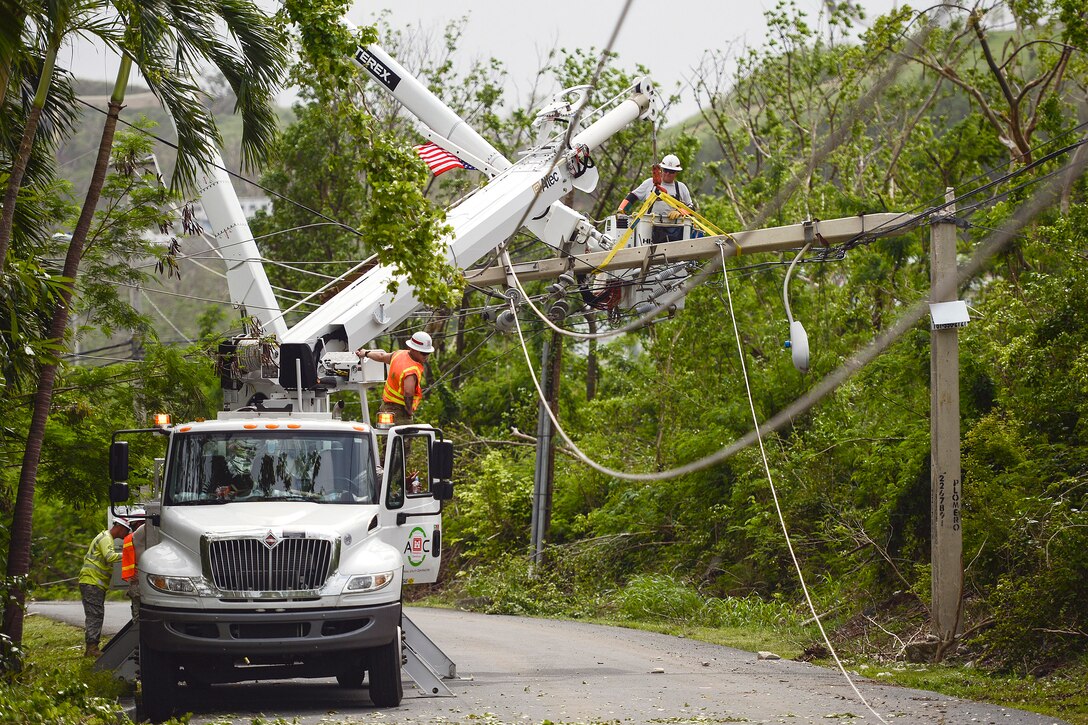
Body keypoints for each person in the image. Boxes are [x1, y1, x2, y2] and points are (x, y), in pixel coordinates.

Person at [355, 331, 433, 425]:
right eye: (423, 353)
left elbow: (381, 356)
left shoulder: (398, 354)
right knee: (403, 438)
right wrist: (409, 411)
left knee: (388, 438)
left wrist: (365, 353)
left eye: (428, 353)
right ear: (412, 349)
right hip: (400, 412)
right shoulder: (411, 369)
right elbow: (408, 392)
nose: (426, 356)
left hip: (385, 408)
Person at [79, 516, 130, 657]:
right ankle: (92, 648)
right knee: (95, 615)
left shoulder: (104, 537)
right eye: (126, 530)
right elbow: (110, 556)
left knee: (95, 614)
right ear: (120, 527)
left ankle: (91, 647)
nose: (126, 534)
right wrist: (130, 554)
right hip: (92, 582)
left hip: (92, 582)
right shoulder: (106, 538)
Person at [616, 154, 695, 243]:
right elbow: (633, 196)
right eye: (665, 170)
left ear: (676, 173)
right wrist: (621, 210)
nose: (668, 174)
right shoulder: (650, 183)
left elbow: (691, 208)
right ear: (661, 169)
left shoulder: (681, 187)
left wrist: (680, 212)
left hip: (672, 230)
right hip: (649, 228)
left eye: (671, 171)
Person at [120, 512, 146, 621]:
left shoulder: (129, 539)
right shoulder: (138, 536)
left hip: (135, 584)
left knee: (137, 616)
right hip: (141, 584)